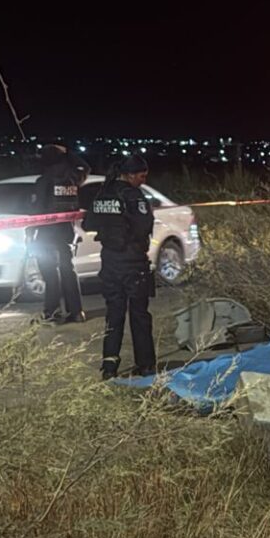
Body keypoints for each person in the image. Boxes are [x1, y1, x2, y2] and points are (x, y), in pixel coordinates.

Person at [82, 154, 156, 380]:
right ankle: (145, 366)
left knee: (113, 314)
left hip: (110, 262)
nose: (143, 181)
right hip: (133, 263)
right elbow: (144, 226)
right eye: (141, 176)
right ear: (130, 174)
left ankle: (109, 366)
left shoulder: (104, 192)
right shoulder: (133, 196)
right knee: (139, 315)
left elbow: (88, 223)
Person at [29, 144, 89, 323]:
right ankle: (76, 312)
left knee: (49, 273)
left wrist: (30, 233)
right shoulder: (72, 178)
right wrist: (69, 153)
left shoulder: (44, 181)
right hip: (66, 232)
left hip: (46, 235)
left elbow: (37, 211)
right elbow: (86, 167)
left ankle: (51, 313)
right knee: (68, 271)